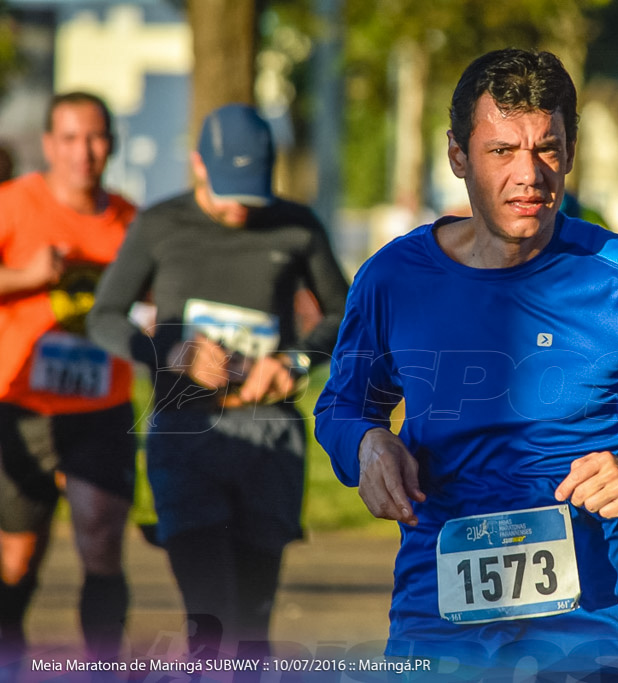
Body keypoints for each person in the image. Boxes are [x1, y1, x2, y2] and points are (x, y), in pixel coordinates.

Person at [314, 48, 618, 679]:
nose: (529, 174)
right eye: (502, 150)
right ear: (458, 156)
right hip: (439, 630)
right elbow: (344, 406)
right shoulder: (394, 280)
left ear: (571, 149)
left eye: (548, 148)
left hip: (597, 635)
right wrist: (366, 445)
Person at [87, 104, 349, 659]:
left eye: (251, 191)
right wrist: (172, 352)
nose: (238, 206)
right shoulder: (160, 224)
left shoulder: (298, 225)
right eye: (228, 189)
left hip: (269, 442)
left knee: (252, 630)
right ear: (198, 166)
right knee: (211, 621)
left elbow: (344, 312)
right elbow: (105, 317)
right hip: (186, 439)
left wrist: (296, 362)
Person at [0, 92, 136, 667]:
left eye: (97, 137)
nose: (85, 151)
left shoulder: (131, 220)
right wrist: (28, 275)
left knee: (101, 537)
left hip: (101, 408)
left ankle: (101, 666)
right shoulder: (13, 204)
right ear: (50, 144)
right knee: (16, 557)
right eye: (72, 138)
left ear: (112, 144)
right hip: (22, 404)